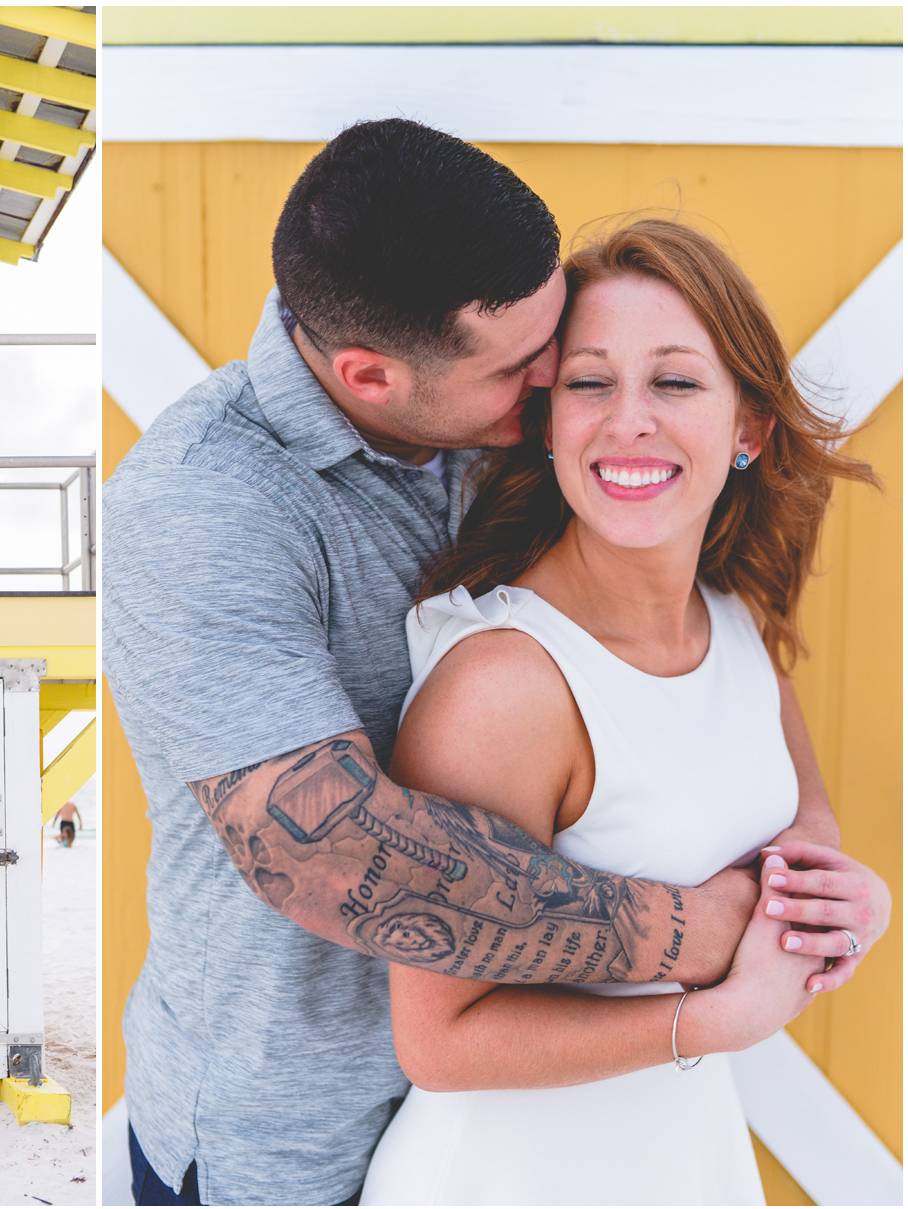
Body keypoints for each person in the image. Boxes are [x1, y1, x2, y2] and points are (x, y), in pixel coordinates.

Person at [102, 119, 889, 1206]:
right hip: (289, 1139)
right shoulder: (202, 506)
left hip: (574, 1121)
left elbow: (712, 708)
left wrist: (809, 884)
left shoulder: (505, 452)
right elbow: (328, 851)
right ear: (372, 376)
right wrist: (694, 936)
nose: (561, 402)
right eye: (542, 374)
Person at [357, 218, 889, 1204]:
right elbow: (436, 1040)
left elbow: (803, 833)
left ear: (746, 429)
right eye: (590, 383)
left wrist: (853, 907)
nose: (626, 420)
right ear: (548, 420)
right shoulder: (503, 686)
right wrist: (712, 1022)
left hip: (683, 1165)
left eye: (675, 382)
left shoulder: (728, 623)